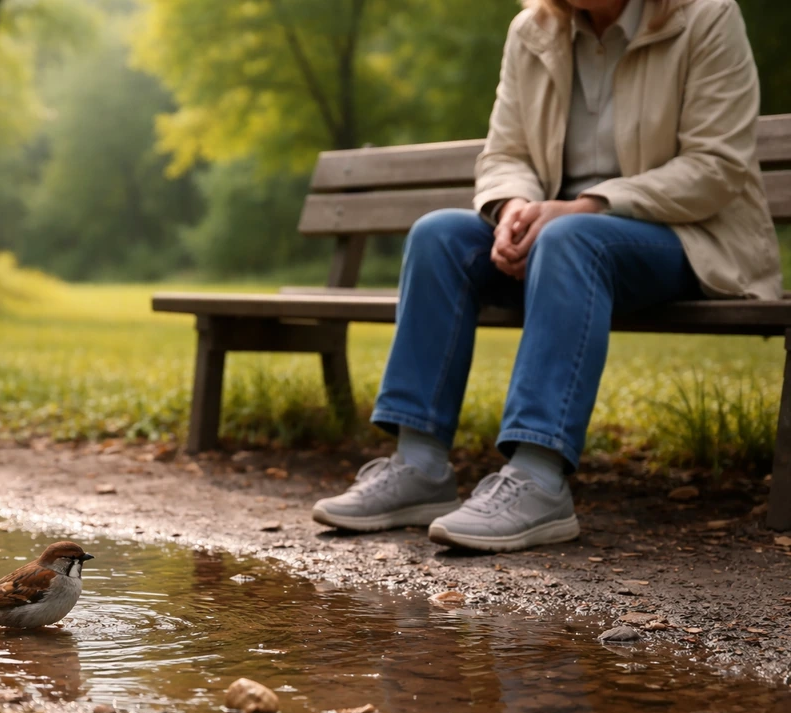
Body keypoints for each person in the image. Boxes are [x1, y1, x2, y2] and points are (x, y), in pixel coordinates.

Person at [312, 0, 781, 552]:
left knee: (569, 239)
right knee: (439, 235)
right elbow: (504, 152)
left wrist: (587, 207)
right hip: (559, 235)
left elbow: (715, 166)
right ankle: (419, 467)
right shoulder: (532, 30)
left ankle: (538, 477)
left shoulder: (706, 18)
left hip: (687, 238)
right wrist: (514, 205)